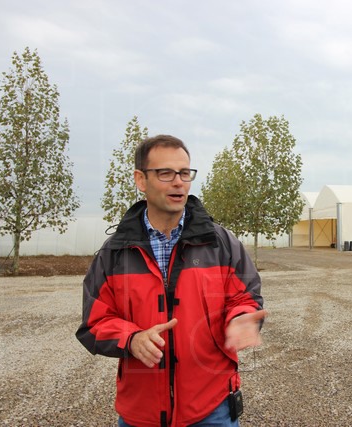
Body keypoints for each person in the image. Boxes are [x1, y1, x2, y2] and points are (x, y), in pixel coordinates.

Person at [76, 134, 266, 427]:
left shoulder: (221, 243)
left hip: (212, 407)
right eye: (166, 173)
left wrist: (241, 318)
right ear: (141, 180)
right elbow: (94, 323)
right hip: (141, 413)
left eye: (184, 173)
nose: (179, 182)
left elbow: (246, 297)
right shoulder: (114, 253)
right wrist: (131, 338)